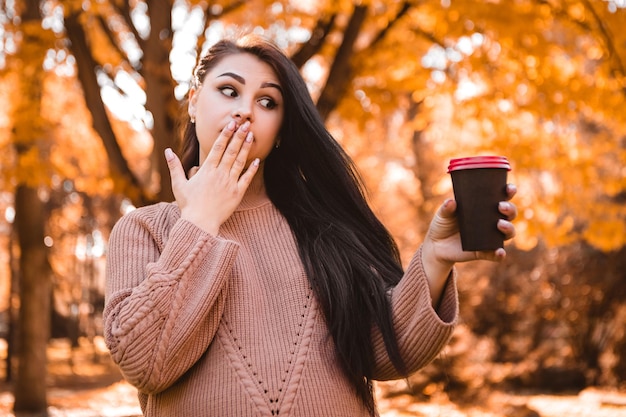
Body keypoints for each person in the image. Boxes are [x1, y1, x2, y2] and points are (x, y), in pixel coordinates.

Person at [103, 33, 517, 417]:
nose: (245, 110)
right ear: (194, 103)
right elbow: (145, 363)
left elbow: (383, 353)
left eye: (268, 102)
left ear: (281, 130)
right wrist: (200, 221)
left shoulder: (322, 227)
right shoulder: (144, 230)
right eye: (228, 91)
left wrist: (434, 262)